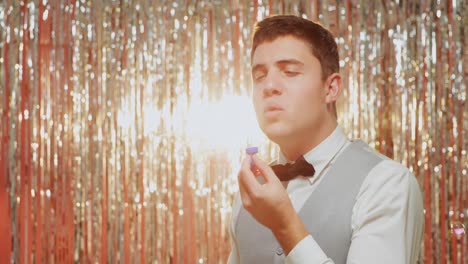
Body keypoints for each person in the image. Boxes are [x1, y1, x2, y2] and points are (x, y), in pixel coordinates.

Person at [228, 15, 424, 264]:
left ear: (330, 88)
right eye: (259, 76)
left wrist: (286, 227)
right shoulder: (250, 194)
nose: (270, 86)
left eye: (289, 72)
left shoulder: (387, 184)